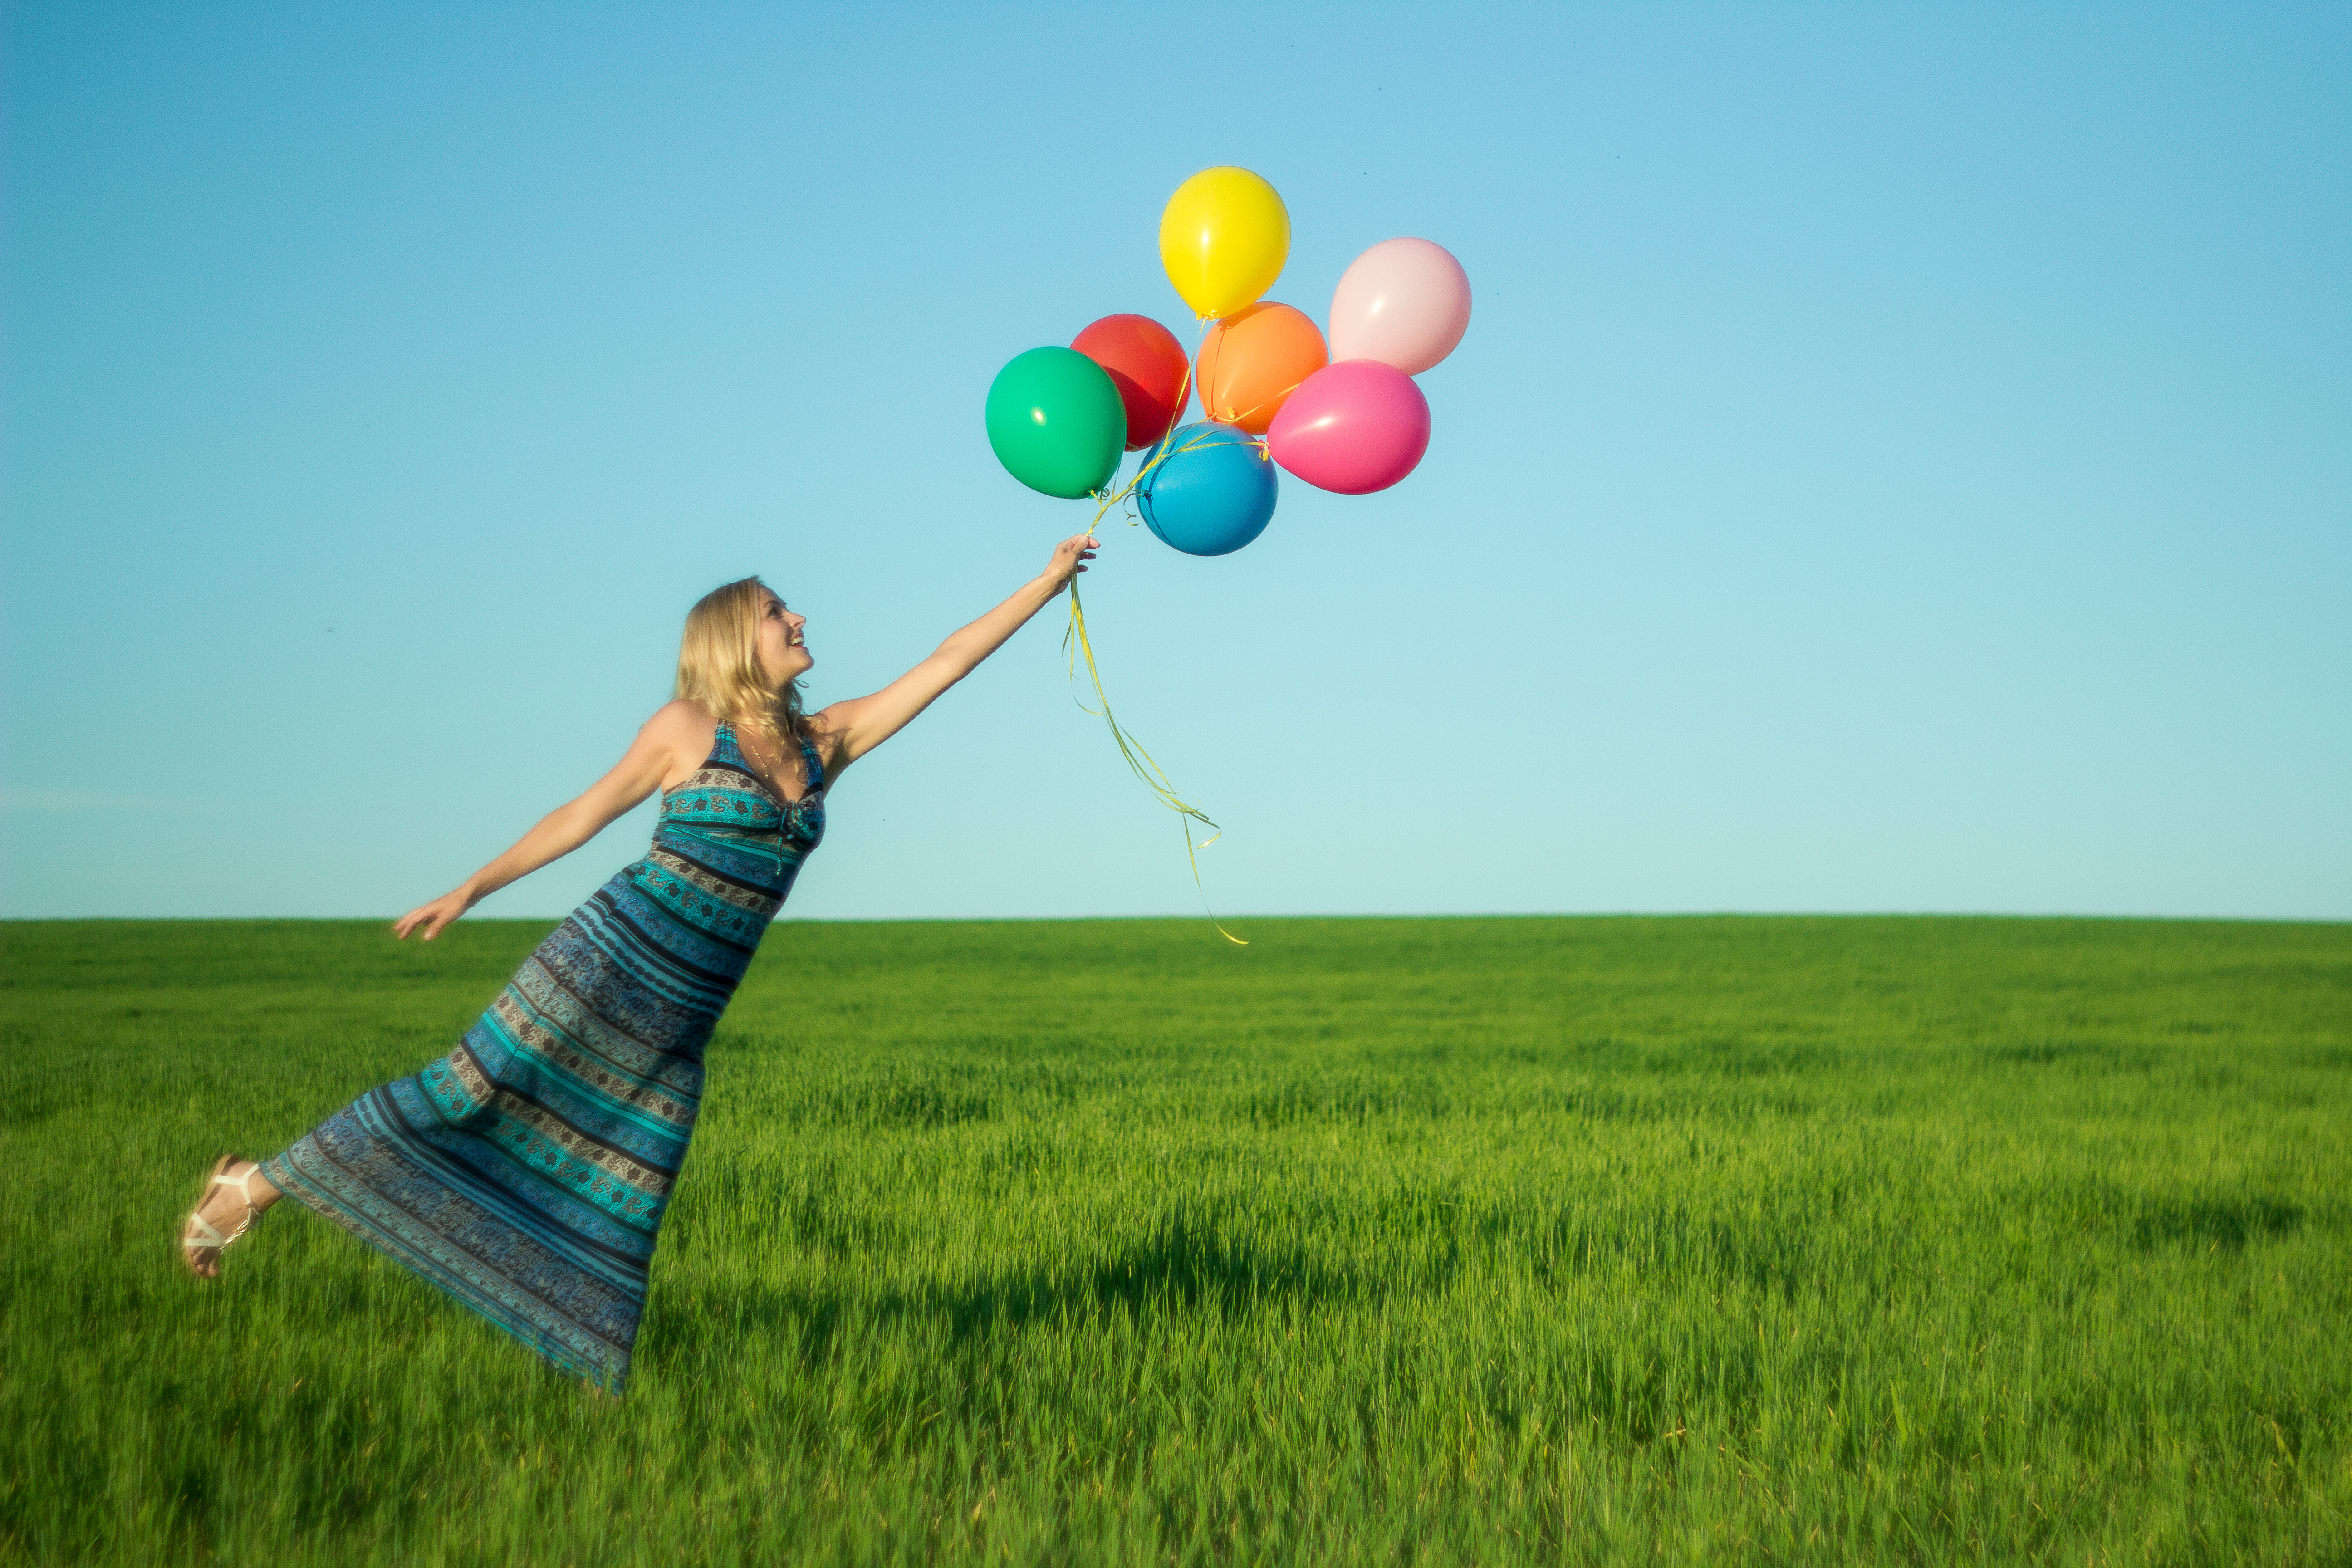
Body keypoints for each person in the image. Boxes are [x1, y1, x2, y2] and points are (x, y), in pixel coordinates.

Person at [177, 533, 1100, 1392]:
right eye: (781, 611)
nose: (801, 620)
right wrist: (473, 886)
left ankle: (597, 1394)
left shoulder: (828, 744)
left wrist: (1046, 581)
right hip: (604, 962)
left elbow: (948, 662)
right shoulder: (687, 730)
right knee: (457, 1097)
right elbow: (582, 816)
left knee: (628, 1192)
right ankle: (247, 1189)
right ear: (737, 637)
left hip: (684, 1016)